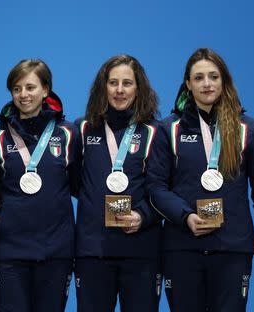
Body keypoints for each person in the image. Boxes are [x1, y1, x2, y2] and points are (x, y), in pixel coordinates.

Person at [147, 48, 254, 312]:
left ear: (224, 81)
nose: (207, 84)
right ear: (188, 84)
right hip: (182, 247)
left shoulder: (248, 130)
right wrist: (185, 216)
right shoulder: (168, 129)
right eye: (199, 78)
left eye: (213, 76)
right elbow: (156, 187)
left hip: (231, 249)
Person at [0, 59, 79, 312]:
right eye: (16, 89)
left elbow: (81, 186)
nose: (23, 95)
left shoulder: (68, 133)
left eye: (30, 87)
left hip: (56, 252)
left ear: (46, 89)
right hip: (11, 253)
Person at [74, 55, 162, 312]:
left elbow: (166, 188)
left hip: (141, 251)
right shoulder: (82, 130)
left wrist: (143, 215)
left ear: (139, 88)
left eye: (127, 83)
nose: (120, 90)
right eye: (113, 83)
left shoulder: (156, 132)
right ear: (103, 87)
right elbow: (71, 182)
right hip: (93, 252)